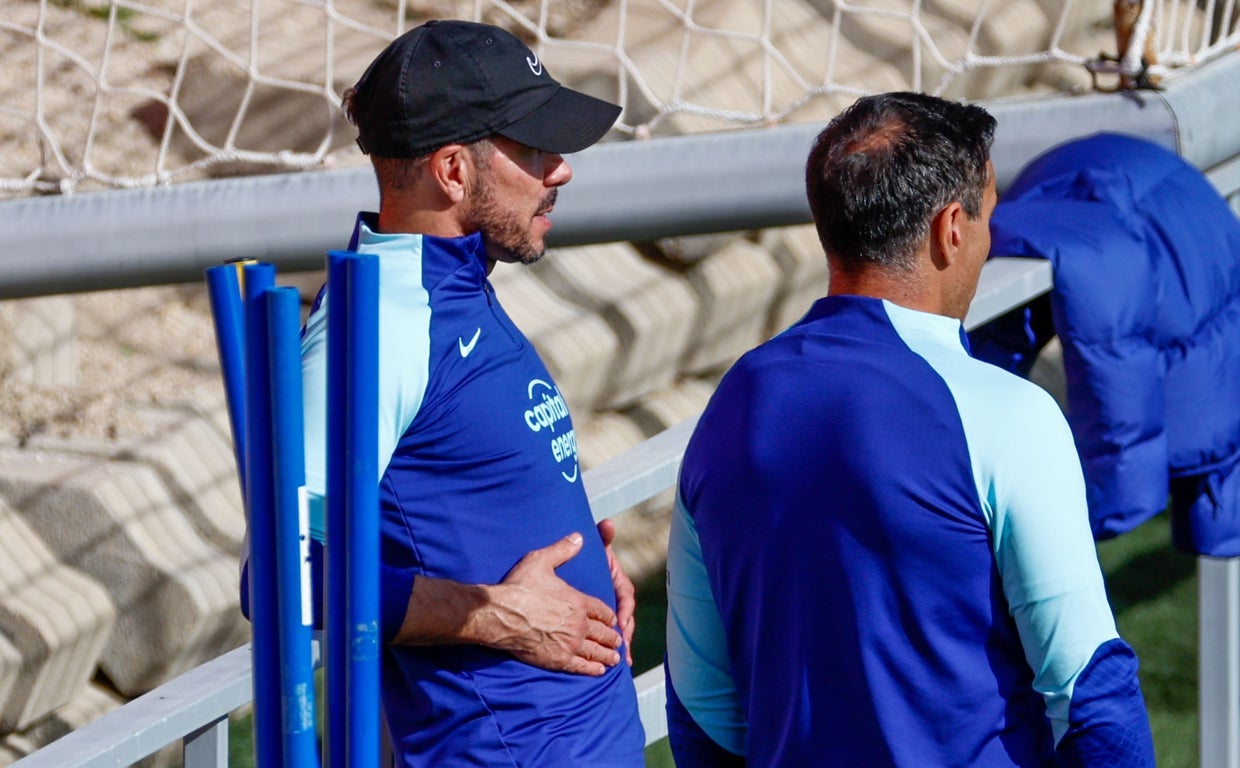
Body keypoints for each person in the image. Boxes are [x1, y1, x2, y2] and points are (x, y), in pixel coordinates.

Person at [663, 92, 1155, 767]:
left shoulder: (729, 410)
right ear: (951, 228)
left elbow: (703, 714)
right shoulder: (1007, 414)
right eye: (989, 212)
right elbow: (1090, 689)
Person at [298, 19, 645, 767]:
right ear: (454, 170)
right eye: (535, 149)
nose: (562, 170)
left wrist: (583, 548)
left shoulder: (453, 284)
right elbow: (287, 575)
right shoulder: (381, 321)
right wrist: (498, 618)